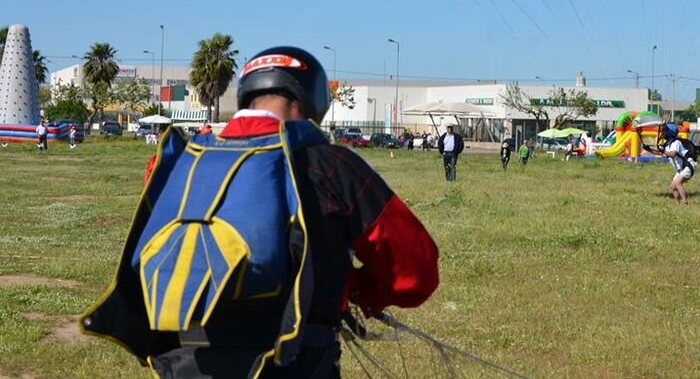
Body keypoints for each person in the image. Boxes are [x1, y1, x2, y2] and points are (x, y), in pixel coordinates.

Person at [82, 46, 440, 378]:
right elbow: (416, 270)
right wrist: (360, 290)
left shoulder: (182, 161)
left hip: (182, 362)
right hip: (294, 363)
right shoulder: (331, 166)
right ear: (311, 99)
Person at [647, 123, 697, 205]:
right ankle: (678, 204)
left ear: (670, 133)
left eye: (665, 131)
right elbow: (660, 153)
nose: (663, 133)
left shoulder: (676, 143)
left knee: (677, 183)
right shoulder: (667, 145)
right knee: (673, 187)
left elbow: (673, 154)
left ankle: (685, 203)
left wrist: (663, 151)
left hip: (688, 166)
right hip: (681, 169)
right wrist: (649, 149)